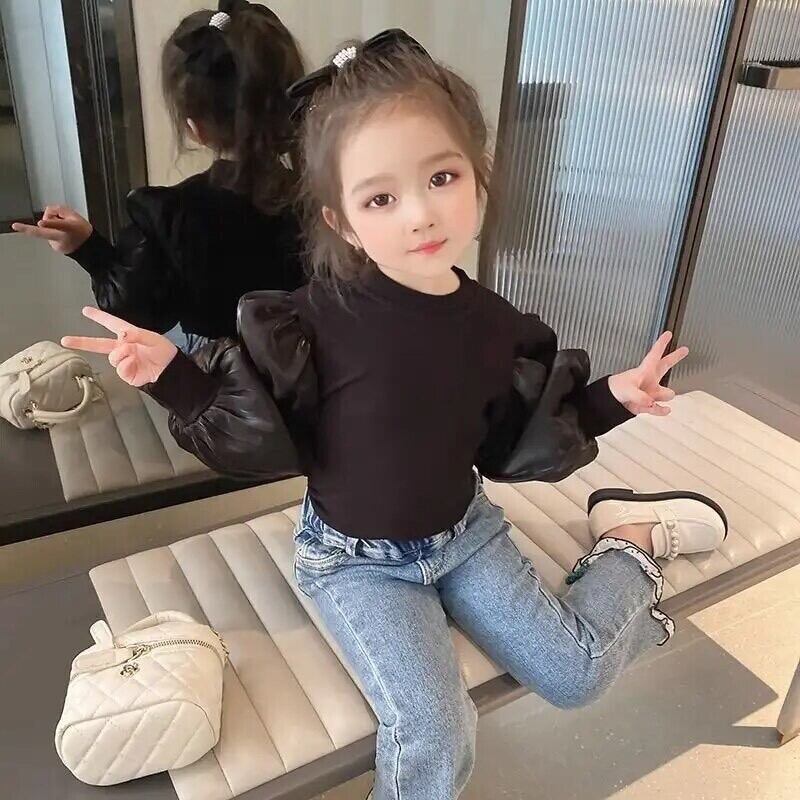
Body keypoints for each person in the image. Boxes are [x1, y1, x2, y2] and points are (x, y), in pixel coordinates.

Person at [62, 31, 728, 800]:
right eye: (380, 198)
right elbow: (263, 437)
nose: (420, 214)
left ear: (478, 177)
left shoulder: (499, 328)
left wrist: (616, 396)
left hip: (466, 535)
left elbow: (520, 435)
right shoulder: (309, 323)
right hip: (354, 562)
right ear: (342, 221)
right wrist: (176, 378)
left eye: (442, 177)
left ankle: (629, 540)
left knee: (576, 676)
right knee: (436, 731)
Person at [13, 1, 306, 353]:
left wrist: (90, 250)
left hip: (222, 372)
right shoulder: (328, 196)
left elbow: (139, 313)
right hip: (311, 357)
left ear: (195, 129)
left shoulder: (171, 214)